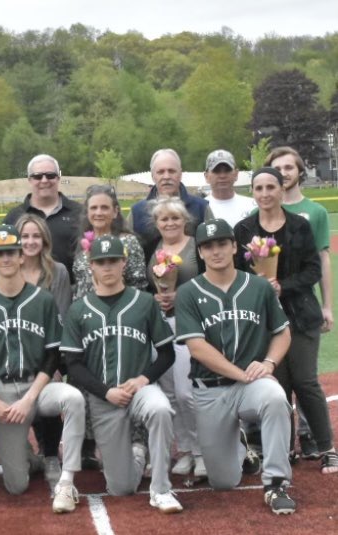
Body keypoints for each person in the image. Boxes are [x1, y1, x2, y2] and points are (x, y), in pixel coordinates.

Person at [0, 224, 85, 514]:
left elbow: (53, 355)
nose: (5, 259)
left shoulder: (42, 299)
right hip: (1, 392)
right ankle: (33, 458)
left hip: (38, 388)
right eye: (0, 253)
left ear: (20, 257)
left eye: (11, 252)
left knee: (73, 398)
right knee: (17, 485)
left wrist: (29, 399)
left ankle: (67, 479)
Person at [174, 218, 296, 515]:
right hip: (211, 390)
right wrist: (240, 373)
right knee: (223, 481)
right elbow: (197, 348)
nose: (216, 251)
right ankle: (242, 448)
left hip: (253, 384)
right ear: (200, 253)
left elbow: (282, 332)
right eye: (208, 246)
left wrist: (268, 363)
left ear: (233, 247)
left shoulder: (258, 287)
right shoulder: (188, 292)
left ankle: (276, 482)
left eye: (221, 244)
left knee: (276, 397)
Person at [62, 234, 182, 513]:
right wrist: (105, 391)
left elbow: (167, 353)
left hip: (140, 389)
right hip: (104, 397)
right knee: (121, 488)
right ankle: (137, 455)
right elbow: (73, 366)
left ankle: (162, 489)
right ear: (91, 265)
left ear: (124, 263)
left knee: (161, 409)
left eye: (113, 261)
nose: (107, 267)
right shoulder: (78, 310)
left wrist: (143, 379)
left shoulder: (144, 302)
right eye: (101, 262)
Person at [233, 167, 338, 474]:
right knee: (278, 385)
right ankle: (284, 448)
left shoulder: (299, 226)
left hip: (300, 314)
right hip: (262, 321)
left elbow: (312, 271)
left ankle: (327, 448)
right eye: (259, 188)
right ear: (253, 192)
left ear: (281, 190)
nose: (265, 193)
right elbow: (238, 273)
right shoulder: (243, 229)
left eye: (270, 187)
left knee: (305, 381)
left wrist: (282, 286)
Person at [0, 214, 72, 481]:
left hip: (46, 354)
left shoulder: (56, 271)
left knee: (47, 398)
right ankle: (25, 451)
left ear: (45, 239)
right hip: (13, 356)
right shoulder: (0, 273)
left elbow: (61, 318)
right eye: (25, 236)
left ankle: (50, 454)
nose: (30, 241)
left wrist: (55, 365)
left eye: (36, 236)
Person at [267, 146, 334, 458]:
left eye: (288, 167)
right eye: (276, 168)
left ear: (298, 171)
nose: (283, 173)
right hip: (272, 311)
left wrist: (327, 305)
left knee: (305, 380)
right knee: (279, 382)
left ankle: (315, 441)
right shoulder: (256, 220)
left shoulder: (312, 214)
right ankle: (288, 443)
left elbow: (322, 260)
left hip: (302, 305)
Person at [146, 198, 204, 479]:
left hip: (191, 322)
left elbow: (209, 280)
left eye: (175, 218)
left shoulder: (195, 246)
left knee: (186, 392)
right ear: (156, 224)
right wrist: (157, 297)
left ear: (185, 220)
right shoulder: (154, 248)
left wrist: (182, 295)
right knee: (169, 394)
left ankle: (203, 450)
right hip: (161, 323)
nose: (169, 223)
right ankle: (185, 449)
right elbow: (147, 285)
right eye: (163, 219)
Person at [3, 154, 82, 276]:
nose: (44, 180)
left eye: (50, 175)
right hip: (27, 291)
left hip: (72, 291)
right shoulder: (14, 217)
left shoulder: (79, 213)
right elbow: (5, 256)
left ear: (58, 178)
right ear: (29, 180)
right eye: (38, 176)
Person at [128, 148, 211, 261]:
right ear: (153, 176)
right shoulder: (137, 212)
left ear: (180, 174)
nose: (166, 176)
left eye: (171, 171)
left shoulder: (201, 208)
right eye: (160, 172)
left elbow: (214, 248)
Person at [72, 184, 147, 300]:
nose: (98, 212)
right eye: (94, 208)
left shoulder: (128, 242)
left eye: (104, 208)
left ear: (115, 212)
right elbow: (79, 286)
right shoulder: (84, 243)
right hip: (86, 312)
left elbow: (138, 285)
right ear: (87, 212)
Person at [203, 149, 255, 227]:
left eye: (227, 170)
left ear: (236, 174)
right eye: (216, 171)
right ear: (206, 176)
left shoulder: (253, 206)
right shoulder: (200, 208)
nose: (222, 176)